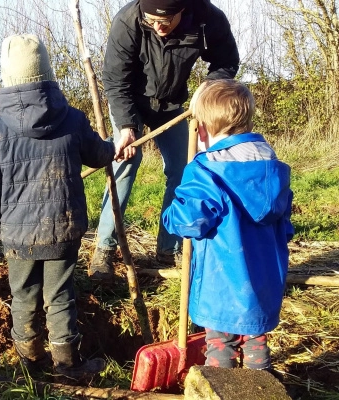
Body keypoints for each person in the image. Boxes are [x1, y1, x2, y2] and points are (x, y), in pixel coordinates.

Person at [0, 34, 131, 380]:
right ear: (46, 73)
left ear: (8, 79)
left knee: (23, 296)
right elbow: (99, 155)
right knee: (59, 295)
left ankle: (30, 362)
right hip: (63, 227)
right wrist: (116, 146)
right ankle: (67, 365)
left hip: (18, 236)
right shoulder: (72, 119)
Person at [89, 0, 240, 282]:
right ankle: (105, 248)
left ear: (182, 10)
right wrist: (125, 127)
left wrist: (206, 90)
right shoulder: (128, 21)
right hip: (130, 102)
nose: (158, 27)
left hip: (171, 105)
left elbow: (227, 61)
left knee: (184, 170)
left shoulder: (207, 18)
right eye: (151, 21)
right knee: (126, 163)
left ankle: (168, 250)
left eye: (166, 21)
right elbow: (115, 80)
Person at [163, 79, 294, 370]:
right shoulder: (272, 166)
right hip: (265, 282)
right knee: (256, 340)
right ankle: (262, 384)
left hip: (221, 286)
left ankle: (219, 387)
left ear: (204, 130)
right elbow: (285, 225)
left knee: (221, 346)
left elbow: (188, 222)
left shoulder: (206, 170)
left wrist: (171, 213)